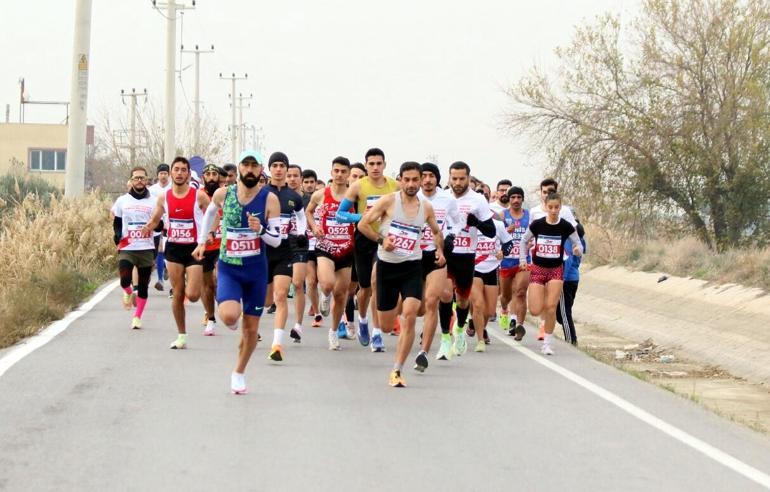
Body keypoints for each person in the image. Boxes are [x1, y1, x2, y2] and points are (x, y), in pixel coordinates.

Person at [193, 150, 282, 394]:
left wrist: (261, 230)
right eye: (246, 165)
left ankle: (239, 372)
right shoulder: (224, 193)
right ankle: (232, 317)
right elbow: (209, 213)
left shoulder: (269, 199)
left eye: (255, 165)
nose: (250, 170)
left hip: (256, 271)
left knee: (251, 330)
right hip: (230, 268)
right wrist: (202, 241)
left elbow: (277, 241)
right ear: (240, 168)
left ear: (260, 169)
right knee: (230, 317)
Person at [358, 162, 445, 387]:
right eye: (407, 180)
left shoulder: (425, 207)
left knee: (410, 315)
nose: (411, 184)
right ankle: (388, 311)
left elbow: (436, 231)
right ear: (400, 179)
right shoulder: (388, 201)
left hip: (412, 267)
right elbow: (363, 225)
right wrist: (382, 239)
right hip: (387, 266)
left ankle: (397, 369)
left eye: (415, 180)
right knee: (387, 326)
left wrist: (440, 251)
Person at [142, 156, 209, 349]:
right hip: (173, 248)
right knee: (178, 293)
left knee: (194, 294)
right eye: (176, 169)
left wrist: (210, 233)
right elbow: (156, 218)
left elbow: (212, 216)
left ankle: (193, 283)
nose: (179, 173)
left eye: (183, 170)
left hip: (194, 248)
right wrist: (149, 226)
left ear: (188, 173)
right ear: (171, 173)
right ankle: (181, 335)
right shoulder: (164, 196)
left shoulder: (199, 195)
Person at [336, 148, 399, 352]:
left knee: (376, 280)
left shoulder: (394, 186)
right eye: (371, 164)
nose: (375, 167)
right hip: (364, 239)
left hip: (385, 239)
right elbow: (340, 214)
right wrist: (361, 217)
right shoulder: (357, 187)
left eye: (378, 163)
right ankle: (362, 319)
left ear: (384, 164)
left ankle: (377, 333)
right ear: (365, 166)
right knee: (365, 289)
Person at [519, 192, 583, 355]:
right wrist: (522, 259)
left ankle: (547, 343)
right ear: (546, 207)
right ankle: (542, 324)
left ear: (560, 207)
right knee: (534, 309)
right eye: (551, 207)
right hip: (538, 269)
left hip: (556, 269)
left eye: (557, 207)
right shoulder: (538, 224)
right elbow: (524, 240)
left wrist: (577, 250)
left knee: (551, 306)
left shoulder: (565, 226)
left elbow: (578, 243)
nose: (554, 210)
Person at [445, 161, 497, 356]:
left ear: (468, 178)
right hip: (445, 254)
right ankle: (444, 336)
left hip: (466, 255)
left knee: (462, 300)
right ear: (449, 178)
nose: (457, 182)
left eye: (462, 178)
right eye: (454, 178)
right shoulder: (443, 197)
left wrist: (476, 222)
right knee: (443, 293)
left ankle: (459, 328)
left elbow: (491, 232)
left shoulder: (478, 200)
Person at [306, 157, 357, 350]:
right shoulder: (321, 194)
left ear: (348, 174)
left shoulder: (354, 196)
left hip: (346, 248)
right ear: (331, 172)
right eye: (336, 171)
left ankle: (334, 331)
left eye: (344, 171)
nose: (340, 175)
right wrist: (315, 226)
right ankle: (324, 295)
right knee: (327, 283)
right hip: (325, 246)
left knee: (341, 293)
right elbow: (308, 212)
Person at [415, 163, 460, 368]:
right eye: (423, 176)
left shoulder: (447, 200)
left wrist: (450, 236)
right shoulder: (410, 198)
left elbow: (456, 223)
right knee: (417, 308)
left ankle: (425, 350)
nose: (427, 180)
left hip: (436, 256)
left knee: (433, 301)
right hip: (413, 257)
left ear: (437, 179)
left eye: (431, 176)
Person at [263, 152, 306, 362]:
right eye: (275, 165)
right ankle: (250, 325)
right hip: (262, 251)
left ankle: (277, 344)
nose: (279, 169)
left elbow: (301, 216)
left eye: (282, 166)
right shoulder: (261, 193)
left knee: (281, 296)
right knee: (265, 300)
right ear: (270, 169)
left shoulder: (294, 197)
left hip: (284, 251)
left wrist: (301, 233)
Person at [112, 166, 158, 329]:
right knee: (124, 279)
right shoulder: (122, 200)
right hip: (128, 246)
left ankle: (137, 317)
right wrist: (117, 237)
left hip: (146, 247)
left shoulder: (154, 201)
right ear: (131, 181)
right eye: (136, 178)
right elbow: (117, 222)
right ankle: (129, 291)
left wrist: (152, 227)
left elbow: (159, 225)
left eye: (142, 178)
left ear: (147, 180)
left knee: (144, 286)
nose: (139, 181)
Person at [469, 218, 513, 351]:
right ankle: (480, 340)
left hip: (492, 268)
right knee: (478, 304)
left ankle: (478, 326)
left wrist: (503, 252)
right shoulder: (470, 224)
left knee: (489, 311)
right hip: (474, 267)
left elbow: (509, 243)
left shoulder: (497, 225)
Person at [499, 186, 529, 340]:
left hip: (523, 261)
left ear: (522, 199)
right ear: (509, 199)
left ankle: (519, 325)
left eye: (519, 197)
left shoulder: (529, 216)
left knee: (521, 292)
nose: (516, 200)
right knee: (506, 295)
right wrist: (505, 233)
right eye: (513, 197)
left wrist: (532, 244)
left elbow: (536, 235)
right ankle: (504, 309)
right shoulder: (502, 216)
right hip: (506, 261)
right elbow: (493, 236)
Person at [286, 164, 310, 343]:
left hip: (300, 242)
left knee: (297, 283)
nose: (292, 179)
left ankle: (298, 326)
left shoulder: (308, 199)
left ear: (301, 178)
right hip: (281, 242)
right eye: (289, 175)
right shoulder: (277, 197)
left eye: (296, 176)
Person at [200, 163, 223, 336]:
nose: (211, 177)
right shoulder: (198, 195)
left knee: (218, 278)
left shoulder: (225, 195)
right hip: (204, 246)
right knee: (207, 286)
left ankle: (226, 304)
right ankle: (211, 317)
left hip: (223, 244)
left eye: (214, 174)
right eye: (208, 175)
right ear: (203, 178)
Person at [557, 220, 586, 345]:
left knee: (564, 313)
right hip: (574, 279)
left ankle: (571, 340)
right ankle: (571, 338)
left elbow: (567, 262)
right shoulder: (580, 242)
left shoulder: (569, 242)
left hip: (567, 280)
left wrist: (561, 280)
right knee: (562, 313)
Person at [148, 163, 170, 291]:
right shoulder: (152, 190)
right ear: (157, 175)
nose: (163, 176)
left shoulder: (172, 188)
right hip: (157, 222)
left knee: (164, 249)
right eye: (161, 173)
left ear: (169, 175)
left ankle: (166, 271)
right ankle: (160, 278)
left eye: (165, 173)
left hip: (170, 222)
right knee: (159, 250)